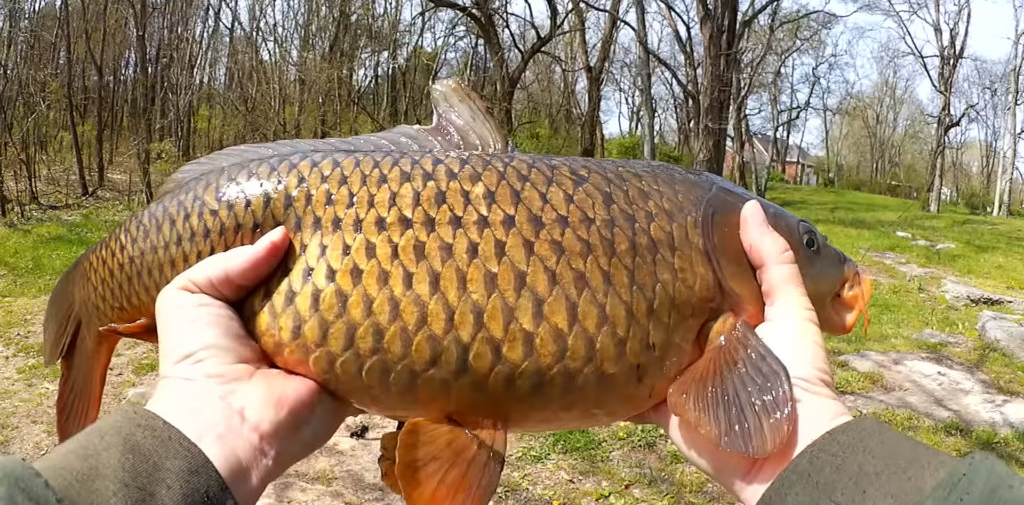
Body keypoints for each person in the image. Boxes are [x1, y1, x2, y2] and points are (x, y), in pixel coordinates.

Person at [1, 200, 1021, 505]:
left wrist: (797, 444)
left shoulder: (721, 318)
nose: (818, 263)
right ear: (754, 245)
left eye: (802, 247)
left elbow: (756, 415)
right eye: (801, 244)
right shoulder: (695, 232)